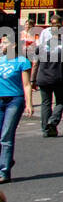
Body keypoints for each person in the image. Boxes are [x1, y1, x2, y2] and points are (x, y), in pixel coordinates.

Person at [33, 19, 63, 137]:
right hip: (59, 77)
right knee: (61, 101)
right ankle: (53, 120)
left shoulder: (41, 46)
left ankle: (46, 128)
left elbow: (35, 64)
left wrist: (33, 80)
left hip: (43, 77)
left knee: (45, 103)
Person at [0, 32, 32, 183]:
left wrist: (29, 103)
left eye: (5, 43)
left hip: (15, 100)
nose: (1, 45)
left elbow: (26, 84)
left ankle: (4, 172)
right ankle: (6, 160)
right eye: (1, 43)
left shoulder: (22, 61)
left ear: (13, 45)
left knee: (6, 135)